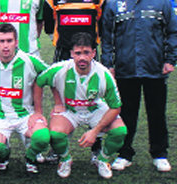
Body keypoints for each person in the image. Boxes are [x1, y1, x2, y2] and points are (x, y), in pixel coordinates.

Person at [101, 0, 177, 172]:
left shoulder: (161, 2)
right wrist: (108, 64)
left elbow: (173, 32)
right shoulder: (114, 4)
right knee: (126, 114)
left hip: (155, 69)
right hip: (126, 70)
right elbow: (107, 39)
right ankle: (125, 154)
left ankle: (160, 154)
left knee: (157, 113)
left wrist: (170, 60)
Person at [43, 0, 106, 162]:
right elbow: (50, 28)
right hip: (63, 55)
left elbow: (103, 26)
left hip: (90, 57)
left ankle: (97, 149)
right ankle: (57, 149)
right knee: (61, 102)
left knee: (94, 100)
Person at [36, 32, 127, 179]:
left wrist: (95, 131)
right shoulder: (60, 69)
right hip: (70, 110)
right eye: (78, 53)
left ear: (93, 53)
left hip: (95, 109)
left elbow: (116, 107)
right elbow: (39, 82)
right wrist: (41, 110)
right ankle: (65, 159)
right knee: (55, 133)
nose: (82, 57)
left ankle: (102, 160)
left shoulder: (104, 75)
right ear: (72, 53)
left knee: (120, 131)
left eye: (86, 53)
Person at [0, 23, 50, 173]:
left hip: (25, 115)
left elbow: (54, 74)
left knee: (43, 137)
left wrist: (39, 110)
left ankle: (31, 156)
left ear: (16, 42)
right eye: (2, 41)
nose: (5, 46)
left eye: (9, 41)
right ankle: (4, 154)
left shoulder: (29, 61)